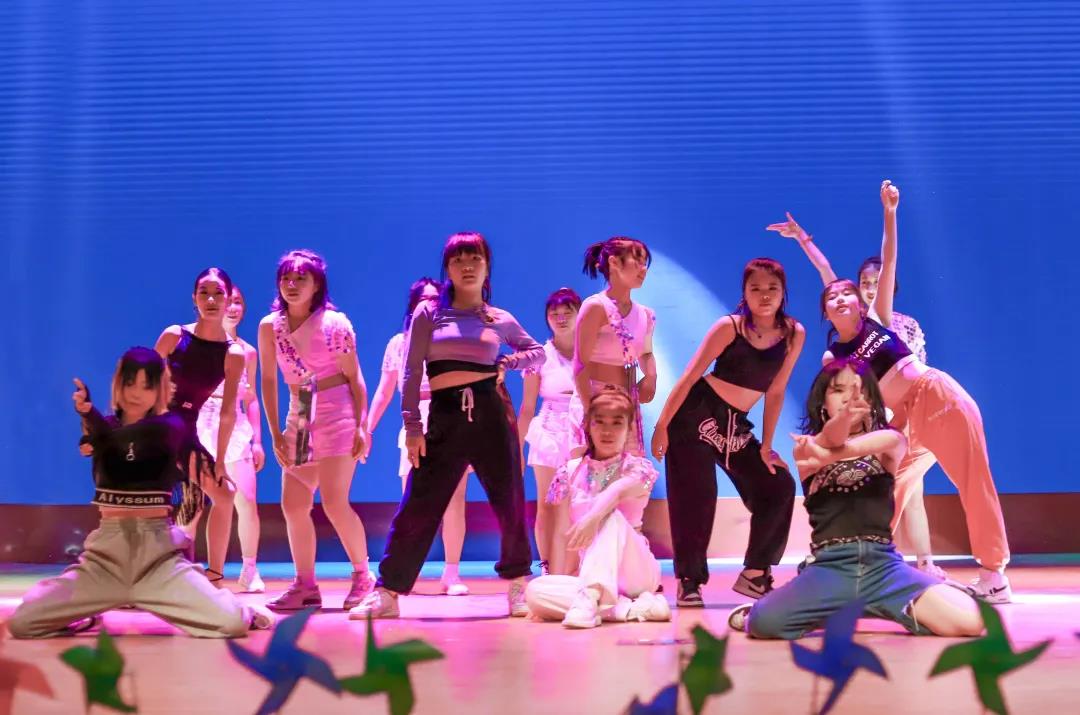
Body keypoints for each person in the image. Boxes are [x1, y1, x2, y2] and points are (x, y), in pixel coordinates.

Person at [772, 181, 1011, 602]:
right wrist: (804, 242)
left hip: (937, 397)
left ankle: (994, 575)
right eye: (833, 297)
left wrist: (889, 213)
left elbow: (888, 259)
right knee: (887, 484)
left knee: (972, 481)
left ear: (859, 302)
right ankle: (864, 562)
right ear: (826, 309)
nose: (842, 297)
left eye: (848, 293)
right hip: (907, 419)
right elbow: (828, 278)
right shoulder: (836, 357)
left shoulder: (877, 320)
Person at [9, 348, 272, 638]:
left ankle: (242, 611)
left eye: (147, 386)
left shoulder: (169, 427)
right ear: (118, 384)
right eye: (130, 383)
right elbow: (112, 437)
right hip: (105, 558)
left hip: (158, 558)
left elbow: (141, 434)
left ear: (159, 389)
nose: (136, 393)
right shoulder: (107, 430)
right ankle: (82, 619)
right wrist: (90, 419)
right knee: (23, 622)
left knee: (231, 623)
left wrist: (90, 418)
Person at [350, 232, 543, 619]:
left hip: (491, 413)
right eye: (458, 260)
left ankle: (518, 584)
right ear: (448, 269)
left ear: (487, 266)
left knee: (509, 501)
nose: (467, 266)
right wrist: (412, 425)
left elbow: (536, 352)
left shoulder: (499, 318)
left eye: (475, 259)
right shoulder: (429, 312)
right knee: (418, 504)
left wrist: (509, 362)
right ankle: (388, 592)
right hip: (445, 414)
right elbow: (411, 370)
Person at [729, 359, 983, 639]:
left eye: (859, 391)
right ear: (822, 402)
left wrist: (832, 454)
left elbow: (869, 443)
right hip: (830, 569)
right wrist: (839, 427)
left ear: (872, 401)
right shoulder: (807, 449)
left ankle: (876, 607)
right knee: (763, 623)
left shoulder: (890, 441)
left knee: (971, 622)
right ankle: (825, 610)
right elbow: (831, 439)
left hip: (884, 569)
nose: (849, 398)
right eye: (839, 390)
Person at [769, 211, 939, 578]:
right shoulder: (853, 327)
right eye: (864, 282)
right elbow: (826, 273)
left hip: (907, 417)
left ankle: (919, 561)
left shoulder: (898, 323)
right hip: (872, 418)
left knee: (908, 487)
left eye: (877, 282)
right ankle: (850, 551)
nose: (870, 287)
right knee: (869, 484)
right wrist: (803, 239)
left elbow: (917, 372)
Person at [652, 258, 804, 606]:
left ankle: (755, 574)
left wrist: (766, 446)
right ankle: (689, 581)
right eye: (755, 288)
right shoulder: (729, 327)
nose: (764, 295)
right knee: (696, 497)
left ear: (783, 292)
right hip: (695, 415)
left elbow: (776, 391)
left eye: (772, 288)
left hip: (736, 424)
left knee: (778, 485)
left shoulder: (793, 333)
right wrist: (662, 425)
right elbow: (690, 376)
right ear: (744, 293)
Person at [259, 250, 374, 611]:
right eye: (286, 278)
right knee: (293, 504)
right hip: (300, 412)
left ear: (316, 284)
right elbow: (268, 380)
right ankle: (305, 584)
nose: (292, 285)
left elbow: (355, 377)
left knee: (335, 502)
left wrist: (362, 425)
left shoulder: (334, 323)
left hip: (337, 410)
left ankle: (363, 576)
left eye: (301, 278)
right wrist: (275, 432)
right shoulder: (270, 326)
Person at [526, 388, 671, 628]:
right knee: (536, 591)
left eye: (617, 423)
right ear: (588, 426)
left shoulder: (639, 468)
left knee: (609, 517)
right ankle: (629, 608)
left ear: (629, 429)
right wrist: (559, 580)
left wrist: (593, 518)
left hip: (635, 571)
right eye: (599, 422)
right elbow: (563, 534)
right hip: (592, 571)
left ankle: (588, 600)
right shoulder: (570, 471)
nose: (607, 431)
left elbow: (616, 492)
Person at [367, 277, 470, 596]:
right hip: (415, 421)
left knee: (454, 501)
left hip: (449, 417)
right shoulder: (399, 343)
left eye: (435, 299)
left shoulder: (453, 338)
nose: (429, 304)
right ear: (412, 306)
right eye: (422, 299)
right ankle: (402, 574)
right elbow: (385, 391)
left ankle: (451, 573)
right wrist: (366, 429)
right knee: (412, 501)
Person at [155, 267, 246, 583]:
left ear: (229, 299)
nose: (211, 299)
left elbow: (228, 412)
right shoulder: (174, 336)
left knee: (225, 493)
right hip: (157, 428)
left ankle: (215, 577)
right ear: (194, 298)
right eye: (204, 293)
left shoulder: (233, 353)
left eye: (218, 293)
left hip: (186, 432)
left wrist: (219, 461)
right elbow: (143, 382)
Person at [196, 285, 266, 592]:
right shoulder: (197, 345)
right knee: (195, 503)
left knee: (247, 500)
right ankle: (186, 568)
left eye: (239, 302)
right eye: (230, 301)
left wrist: (258, 440)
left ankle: (249, 569)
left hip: (235, 427)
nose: (234, 307)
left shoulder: (248, 351)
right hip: (201, 425)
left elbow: (252, 398)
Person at [571, 237, 657, 457]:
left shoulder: (646, 314)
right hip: (595, 398)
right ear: (614, 262)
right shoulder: (596, 306)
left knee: (629, 470)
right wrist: (590, 411)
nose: (643, 269)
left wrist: (651, 376)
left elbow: (646, 352)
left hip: (626, 403)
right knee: (592, 470)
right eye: (637, 261)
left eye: (645, 263)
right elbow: (580, 364)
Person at [518, 287, 581, 575]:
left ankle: (575, 565)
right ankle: (546, 565)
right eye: (555, 314)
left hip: (582, 430)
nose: (561, 318)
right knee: (547, 502)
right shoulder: (539, 356)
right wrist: (517, 448)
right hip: (549, 431)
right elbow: (527, 407)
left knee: (579, 502)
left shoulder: (591, 352)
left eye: (568, 313)